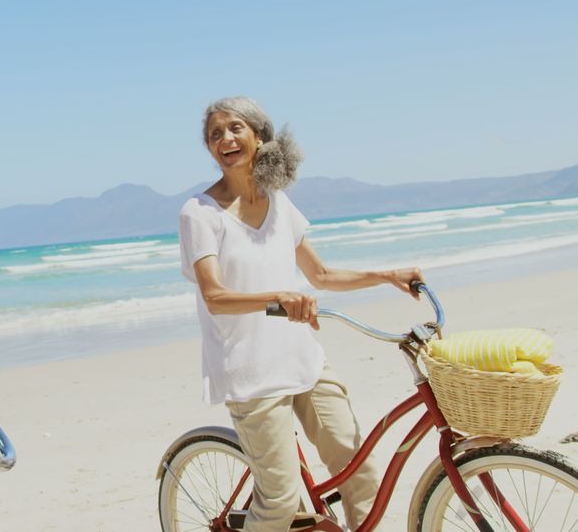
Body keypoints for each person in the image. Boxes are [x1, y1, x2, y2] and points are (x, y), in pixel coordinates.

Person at [177, 96, 424, 531]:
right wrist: (281, 296)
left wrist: (387, 275)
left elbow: (323, 274)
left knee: (360, 471)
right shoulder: (199, 213)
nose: (225, 139)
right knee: (279, 504)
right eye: (215, 134)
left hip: (303, 360)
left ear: (258, 135)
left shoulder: (279, 204)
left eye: (235, 128)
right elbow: (215, 295)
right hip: (250, 373)